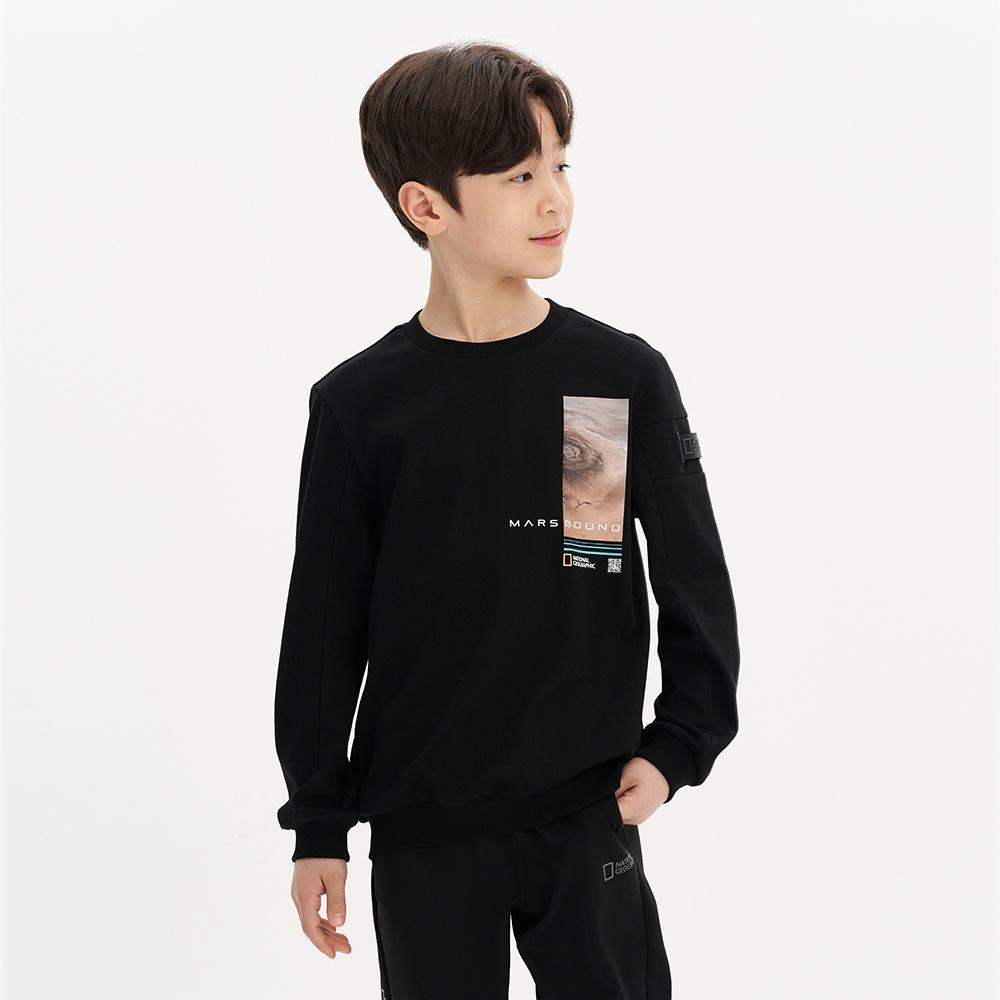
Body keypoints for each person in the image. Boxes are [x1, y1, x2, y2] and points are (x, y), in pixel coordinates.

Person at [273, 40, 741, 1000]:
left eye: (560, 165)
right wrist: (318, 823)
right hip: (425, 833)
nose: (555, 199)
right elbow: (323, 631)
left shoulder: (610, 380)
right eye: (520, 176)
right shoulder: (363, 406)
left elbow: (686, 583)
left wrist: (676, 747)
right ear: (427, 206)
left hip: (587, 812)